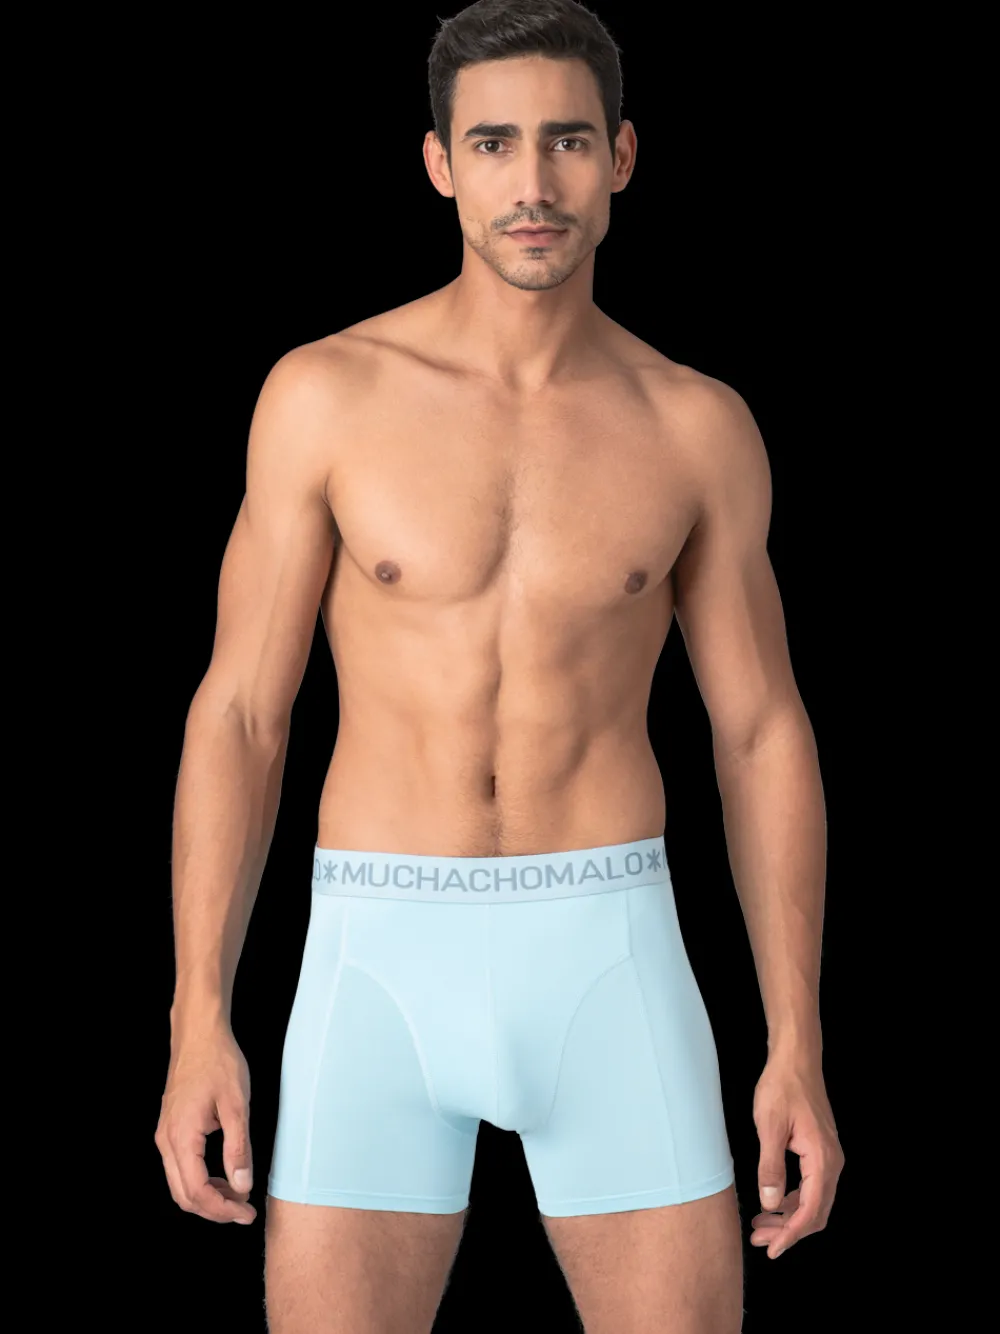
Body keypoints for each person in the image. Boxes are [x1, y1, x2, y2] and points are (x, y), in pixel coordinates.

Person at [154, 1, 845, 1329]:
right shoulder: (327, 396)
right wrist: (198, 1019)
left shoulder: (694, 426)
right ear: (440, 164)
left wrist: (798, 1043)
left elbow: (761, 730)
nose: (533, 182)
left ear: (621, 156)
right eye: (494, 143)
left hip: (610, 954)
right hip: (375, 953)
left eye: (568, 141)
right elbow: (240, 713)